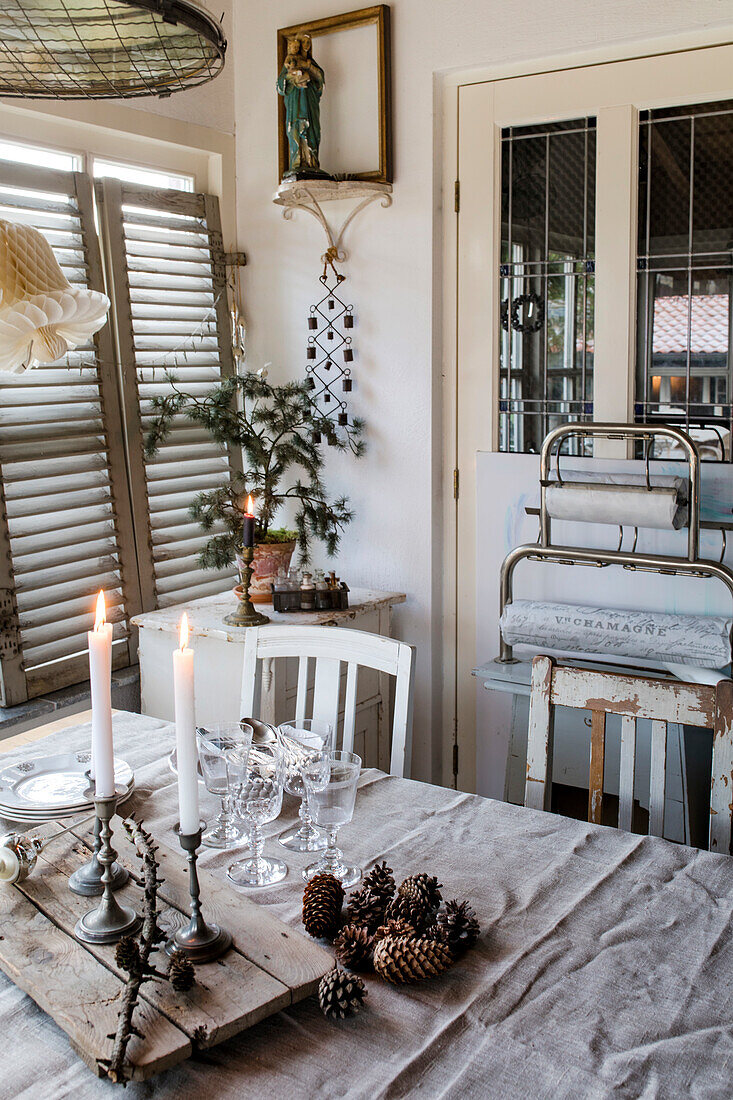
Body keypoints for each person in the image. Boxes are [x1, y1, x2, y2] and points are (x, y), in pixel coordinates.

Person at [276, 34, 329, 179]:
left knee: (312, 130)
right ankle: (298, 162)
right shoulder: (290, 62)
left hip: (309, 104)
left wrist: (308, 68)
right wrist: (291, 77)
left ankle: (311, 162)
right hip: (295, 105)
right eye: (302, 42)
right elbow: (280, 86)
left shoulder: (310, 63)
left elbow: (320, 79)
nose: (305, 45)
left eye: (308, 42)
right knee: (295, 130)